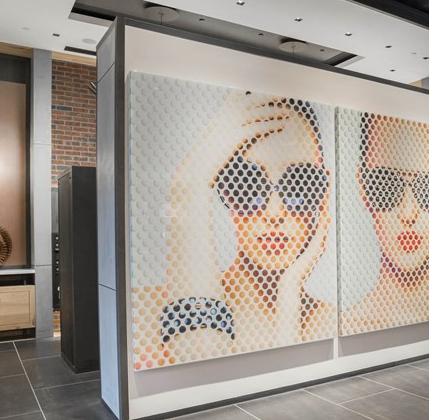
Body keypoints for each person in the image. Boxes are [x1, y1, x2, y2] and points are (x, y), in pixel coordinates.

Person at [132, 90, 335, 369]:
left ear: (323, 194)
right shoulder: (145, 310)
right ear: (224, 189)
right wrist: (190, 182)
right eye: (248, 186)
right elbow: (199, 364)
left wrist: (290, 291)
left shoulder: (333, 322)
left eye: (299, 185)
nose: (274, 213)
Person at [342, 113, 429, 335]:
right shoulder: (350, 322)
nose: (408, 214)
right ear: (363, 189)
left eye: (428, 189)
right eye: (385, 185)